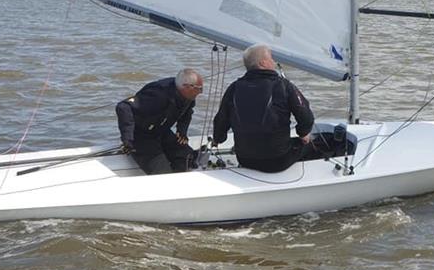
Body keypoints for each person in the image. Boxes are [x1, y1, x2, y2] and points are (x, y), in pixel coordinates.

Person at [212, 44, 314, 173]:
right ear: (263, 62)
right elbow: (306, 117)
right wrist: (303, 134)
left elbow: (221, 120)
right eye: (271, 58)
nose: (273, 61)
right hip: (278, 160)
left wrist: (218, 139)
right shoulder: (283, 85)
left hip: (245, 159)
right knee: (319, 142)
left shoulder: (233, 88)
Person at [116, 68, 203, 175]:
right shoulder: (158, 94)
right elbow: (123, 107)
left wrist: (182, 130)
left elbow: (187, 112)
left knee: (187, 157)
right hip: (141, 136)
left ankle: (179, 181)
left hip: (161, 131)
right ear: (186, 87)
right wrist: (127, 138)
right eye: (199, 89)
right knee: (162, 172)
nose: (200, 92)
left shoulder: (189, 96)